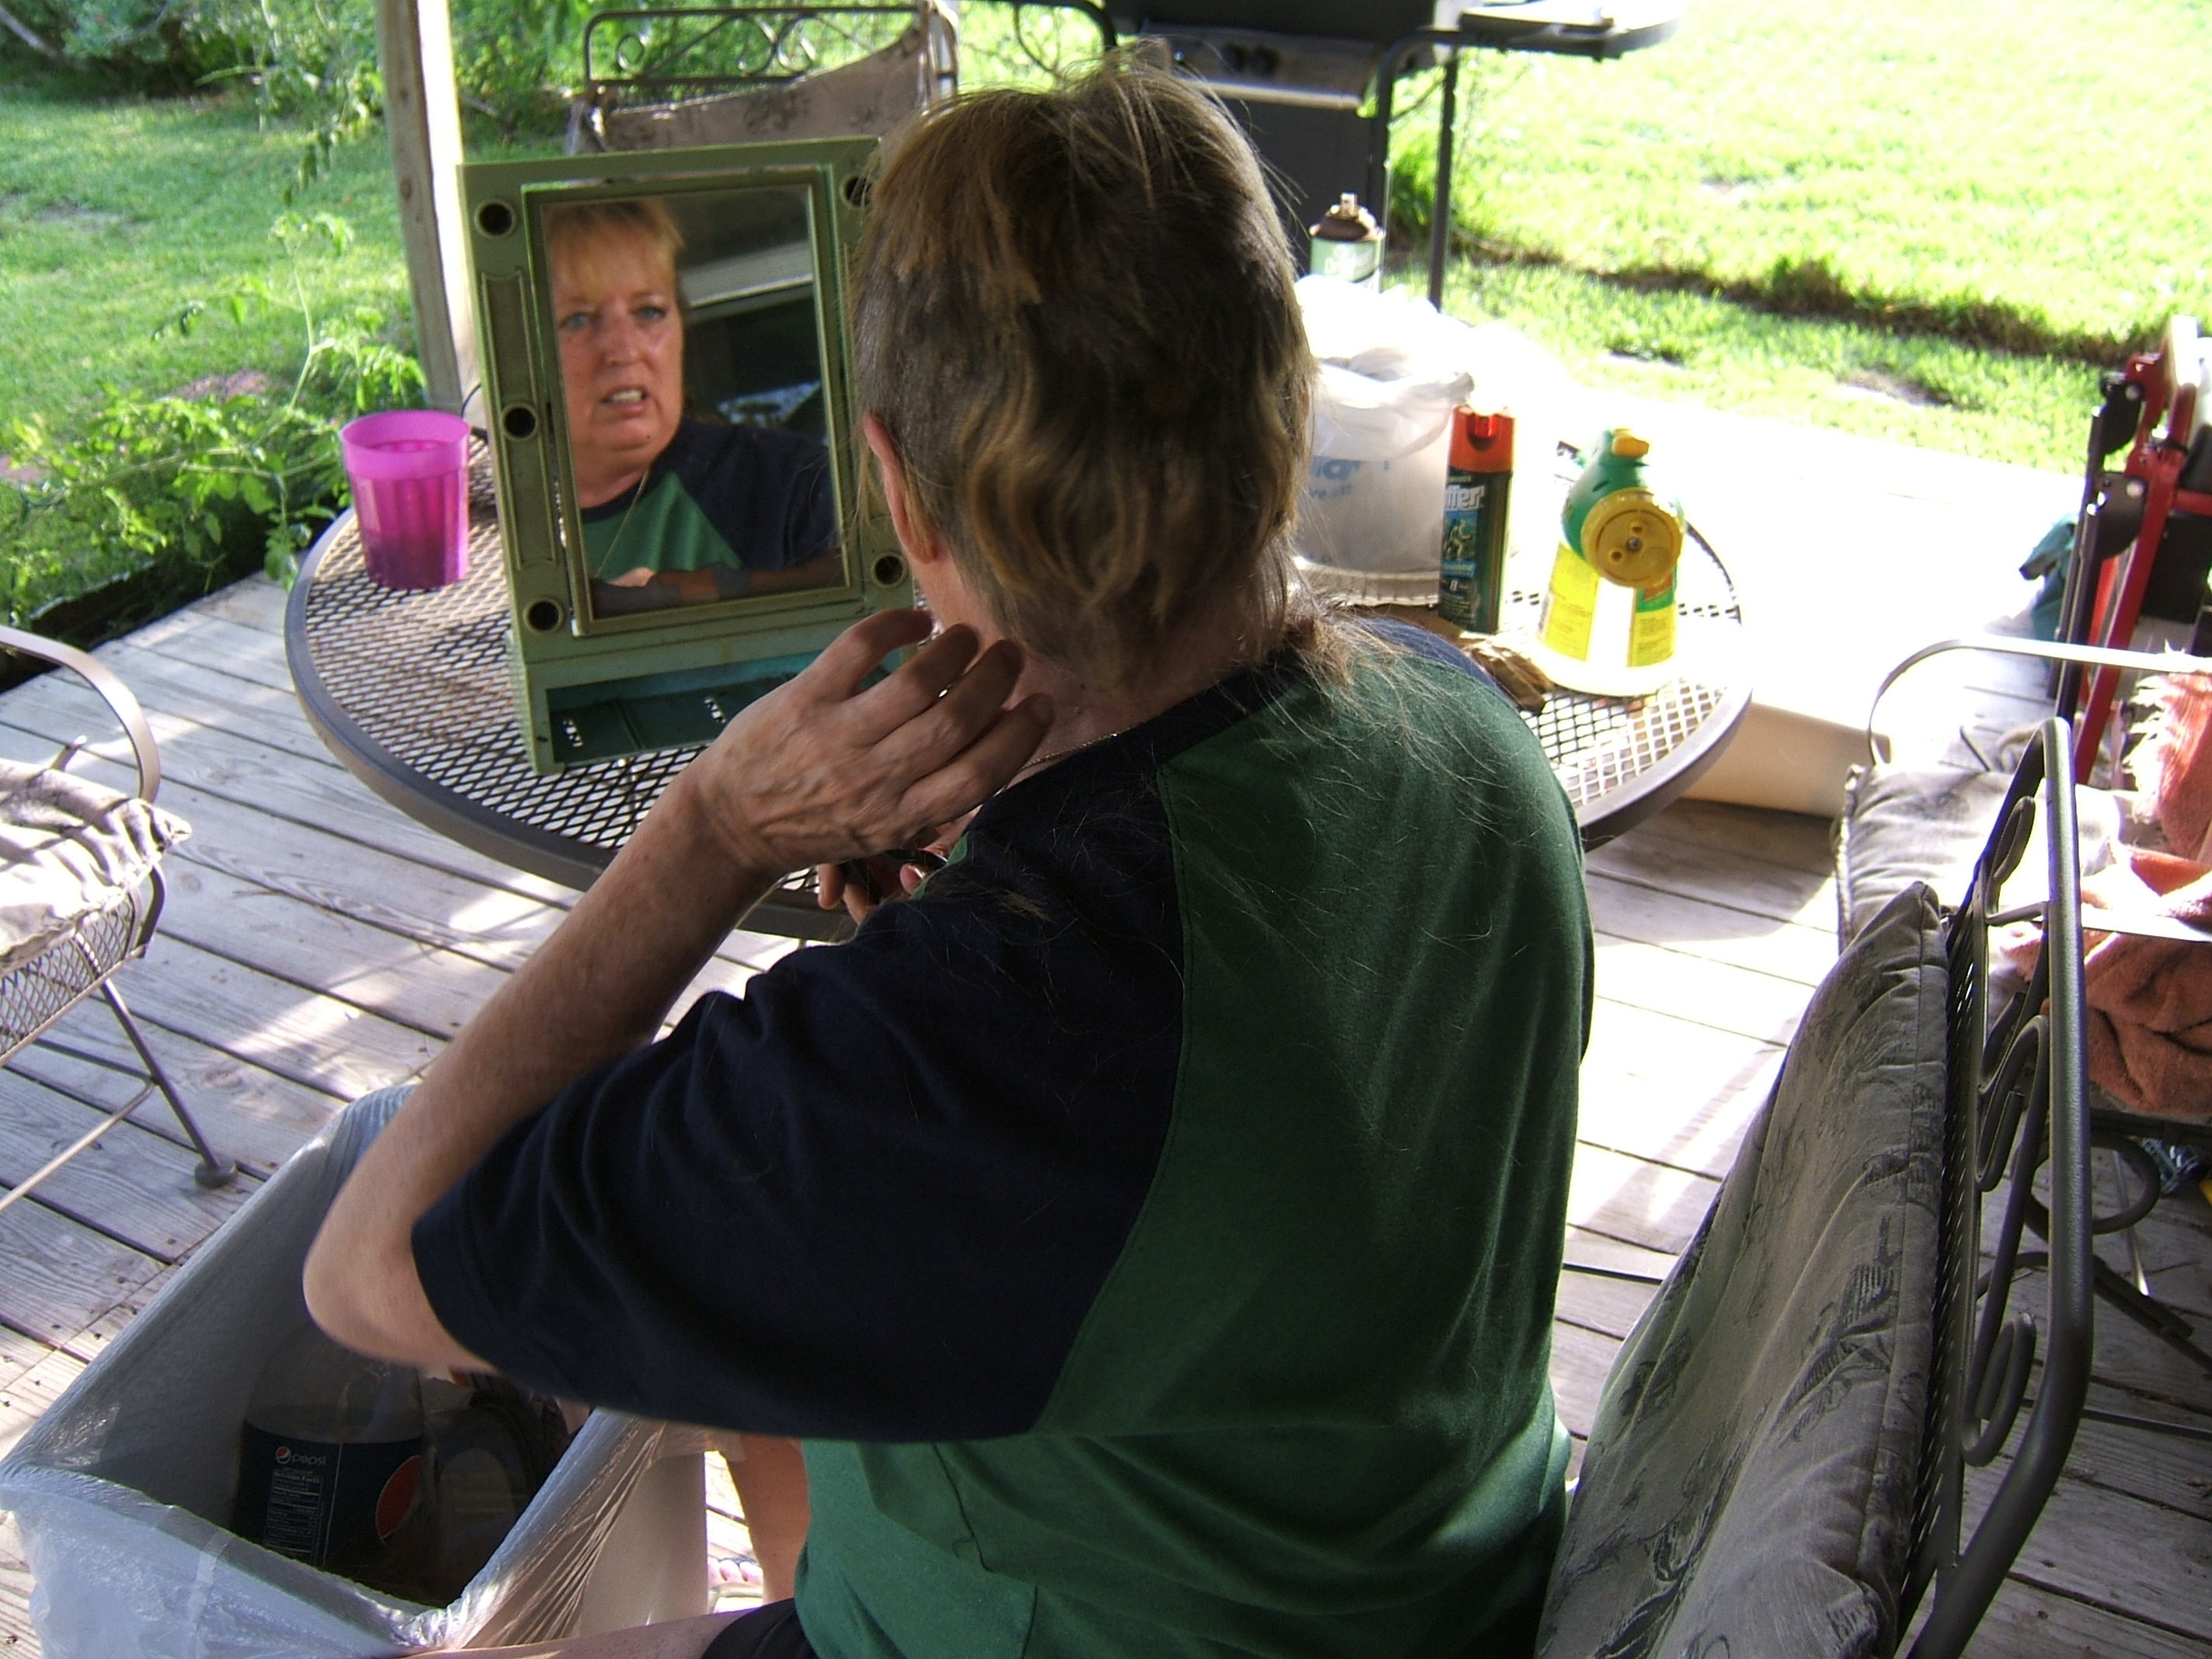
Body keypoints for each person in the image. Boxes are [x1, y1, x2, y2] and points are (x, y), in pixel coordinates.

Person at [304, 54, 1591, 1659]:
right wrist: (977, 904)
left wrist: (716, 825)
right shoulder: (1462, 726)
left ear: (897, 489)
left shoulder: (998, 1038)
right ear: (1279, 416)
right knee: (743, 1366)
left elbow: (369, 1270)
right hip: (1418, 1575)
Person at [544, 198, 843, 615]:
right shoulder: (488, 522)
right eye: (578, 319)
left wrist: (700, 592)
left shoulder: (795, 487)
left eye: (649, 312)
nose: (624, 350)